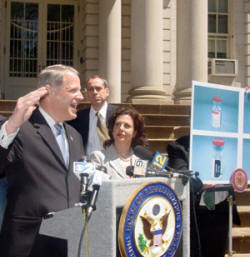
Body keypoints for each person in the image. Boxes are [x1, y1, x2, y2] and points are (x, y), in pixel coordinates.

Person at [0, 64, 84, 257]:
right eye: (73, 90)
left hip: (67, 241)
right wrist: (12, 124)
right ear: (48, 92)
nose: (80, 96)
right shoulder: (19, 128)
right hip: (29, 244)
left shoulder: (75, 136)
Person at [167, 135, 240, 257]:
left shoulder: (229, 141)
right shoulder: (179, 146)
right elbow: (179, 177)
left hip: (221, 209)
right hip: (196, 213)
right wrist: (199, 183)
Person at [90, 106, 147, 179]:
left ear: (134, 133)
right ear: (112, 129)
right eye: (118, 124)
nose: (121, 128)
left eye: (127, 126)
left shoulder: (139, 161)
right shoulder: (99, 157)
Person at [69, 75, 117, 156]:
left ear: (107, 92)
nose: (95, 92)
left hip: (113, 162)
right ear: (87, 94)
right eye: (91, 89)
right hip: (87, 164)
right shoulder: (77, 117)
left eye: (98, 88)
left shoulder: (119, 114)